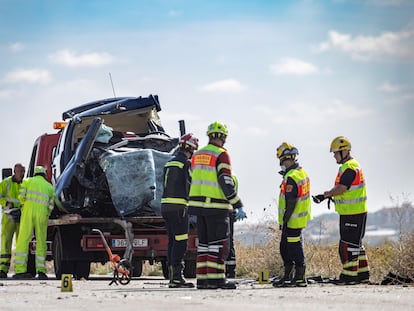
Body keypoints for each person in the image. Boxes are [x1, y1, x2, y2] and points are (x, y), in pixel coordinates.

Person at [188, 121, 244, 290]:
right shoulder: (221, 155)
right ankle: (217, 280)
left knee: (204, 245)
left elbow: (192, 177)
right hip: (217, 207)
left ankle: (203, 280)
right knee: (218, 244)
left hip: (198, 208)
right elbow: (226, 181)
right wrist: (237, 203)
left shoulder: (197, 155)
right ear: (224, 138)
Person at [313, 136, 369, 285]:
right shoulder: (352, 166)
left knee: (347, 245)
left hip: (352, 212)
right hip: (356, 211)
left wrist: (326, 194)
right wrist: (326, 196)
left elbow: (342, 188)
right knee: (356, 244)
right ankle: (363, 275)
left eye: (336, 152)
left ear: (344, 152)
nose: (334, 156)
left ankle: (349, 277)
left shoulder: (349, 168)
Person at [161, 133, 199, 288]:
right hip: (179, 207)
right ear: (190, 149)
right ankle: (177, 277)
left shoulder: (169, 163)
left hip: (165, 207)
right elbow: (191, 185)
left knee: (172, 241)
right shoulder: (186, 164)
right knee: (181, 242)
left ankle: (172, 276)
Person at [272, 142, 311, 288]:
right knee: (285, 248)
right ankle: (288, 276)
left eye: (280, 161)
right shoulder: (301, 173)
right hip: (297, 218)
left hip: (292, 220)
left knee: (293, 248)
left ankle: (300, 277)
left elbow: (291, 200)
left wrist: (285, 219)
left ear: (284, 159)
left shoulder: (292, 176)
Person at [13, 166, 54, 280]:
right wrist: (47, 213)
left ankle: (20, 270)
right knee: (41, 241)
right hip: (42, 214)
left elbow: (21, 197)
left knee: (23, 240)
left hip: (28, 212)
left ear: (35, 173)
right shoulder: (49, 187)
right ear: (44, 175)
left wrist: (23, 206)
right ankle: (41, 271)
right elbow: (51, 206)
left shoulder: (27, 181)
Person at [0, 163, 25, 278]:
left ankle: (20, 270)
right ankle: (2, 269)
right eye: (21, 172)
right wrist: (6, 203)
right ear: (15, 171)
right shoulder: (6, 183)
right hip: (8, 217)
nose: (23, 174)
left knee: (21, 243)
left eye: (24, 172)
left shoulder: (25, 184)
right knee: (6, 243)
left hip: (20, 217)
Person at [225, 175, 246, 278]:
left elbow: (229, 192)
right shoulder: (233, 176)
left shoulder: (226, 176)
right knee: (229, 242)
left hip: (225, 211)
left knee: (226, 242)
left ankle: (229, 271)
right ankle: (230, 271)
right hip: (230, 211)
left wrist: (239, 207)